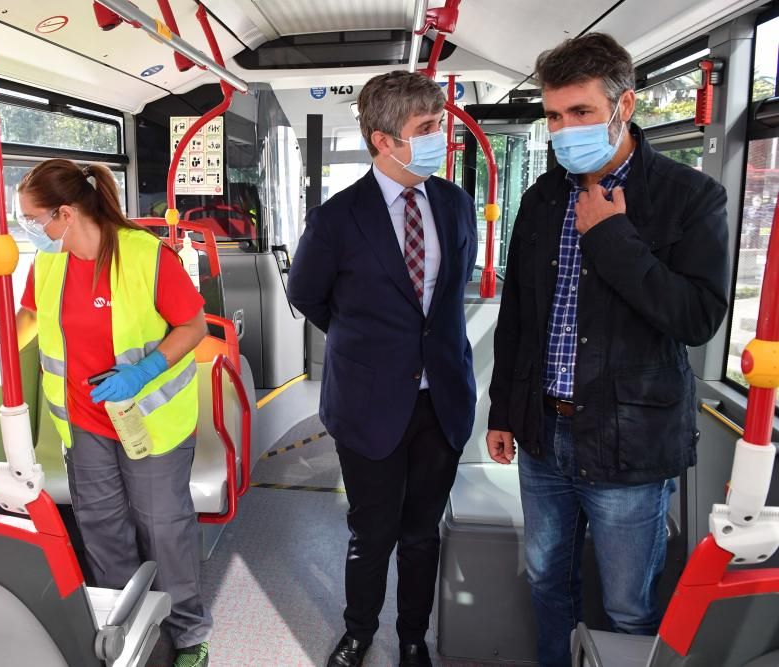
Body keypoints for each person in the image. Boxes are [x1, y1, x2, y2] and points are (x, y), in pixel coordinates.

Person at [485, 34, 729, 667]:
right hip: (544, 433)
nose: (564, 130)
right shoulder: (541, 199)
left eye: (581, 112)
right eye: (554, 116)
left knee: (628, 602)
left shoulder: (689, 197)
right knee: (546, 582)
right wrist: (502, 411)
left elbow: (698, 317)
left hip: (630, 440)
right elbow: (518, 319)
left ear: (625, 106)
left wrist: (615, 239)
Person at [0, 159, 212, 667]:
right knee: (102, 529)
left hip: (149, 422)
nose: (30, 231)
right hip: (83, 424)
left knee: (163, 530)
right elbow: (29, 317)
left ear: (65, 213)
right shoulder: (49, 262)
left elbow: (194, 326)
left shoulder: (145, 256)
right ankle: (126, 627)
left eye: (32, 219)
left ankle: (190, 633)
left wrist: (143, 371)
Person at [288, 71, 478, 667]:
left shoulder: (453, 203)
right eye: (425, 129)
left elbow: (451, 295)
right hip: (368, 402)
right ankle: (358, 631)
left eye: (439, 126)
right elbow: (308, 296)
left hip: (441, 398)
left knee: (422, 535)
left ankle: (415, 637)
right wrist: (366, 346)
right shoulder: (337, 219)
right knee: (371, 537)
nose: (439, 140)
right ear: (383, 141)